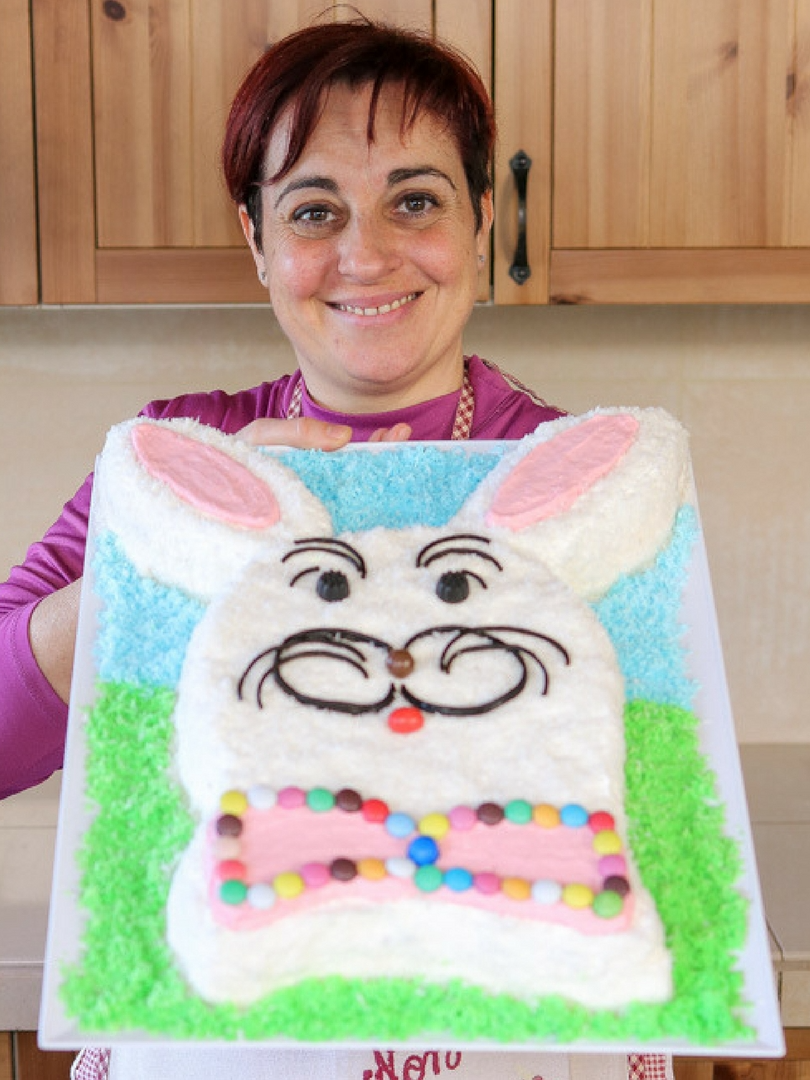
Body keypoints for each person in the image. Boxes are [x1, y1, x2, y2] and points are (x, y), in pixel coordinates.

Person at [0, 17, 672, 1080]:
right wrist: (157, 560)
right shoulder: (171, 455)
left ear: (484, 220)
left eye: (417, 199)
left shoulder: (575, 480)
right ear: (257, 239)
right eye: (315, 210)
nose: (367, 254)